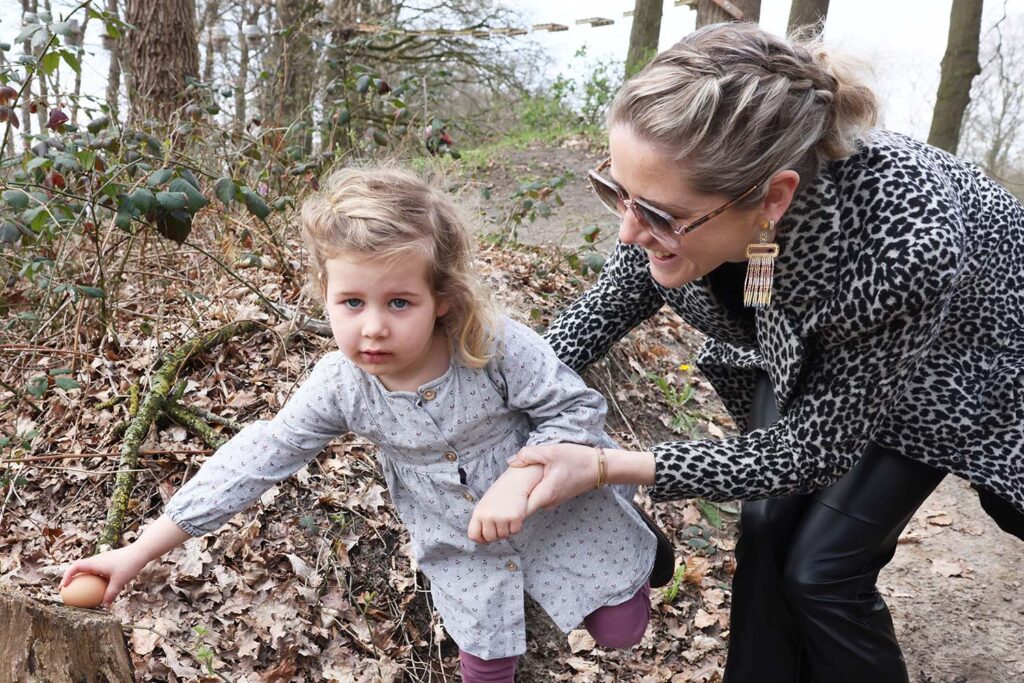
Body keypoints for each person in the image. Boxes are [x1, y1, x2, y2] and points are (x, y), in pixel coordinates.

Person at [506, 21, 1024, 683]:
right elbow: (616, 294)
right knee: (766, 530)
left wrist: (606, 466)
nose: (628, 230)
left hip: (958, 357)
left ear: (770, 199)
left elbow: (809, 452)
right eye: (618, 191)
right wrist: (516, 387)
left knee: (824, 568)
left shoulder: (903, 244)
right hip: (821, 319)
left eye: (657, 215)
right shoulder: (682, 185)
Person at [61, 166, 658, 683]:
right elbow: (255, 459)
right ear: (326, 294)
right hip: (459, 539)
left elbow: (574, 409)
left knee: (619, 630)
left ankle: (640, 535)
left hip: (554, 506)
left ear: (441, 299)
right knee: (483, 655)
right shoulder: (340, 385)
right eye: (352, 303)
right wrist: (136, 553)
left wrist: (520, 477)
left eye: (399, 303)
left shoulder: (492, 346)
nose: (372, 327)